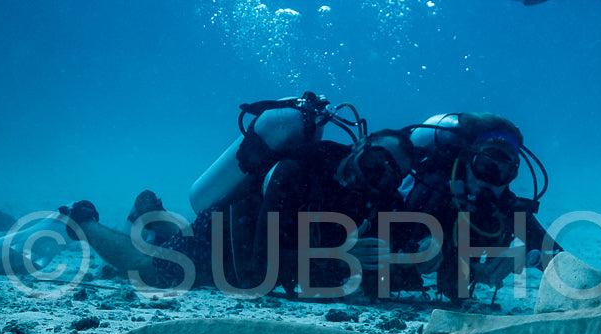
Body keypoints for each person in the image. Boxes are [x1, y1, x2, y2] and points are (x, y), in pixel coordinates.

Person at [61, 127, 415, 298]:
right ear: (360, 145)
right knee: (148, 271)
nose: (371, 178)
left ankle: (151, 213)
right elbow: (261, 266)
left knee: (176, 240)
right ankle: (83, 219)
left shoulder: (377, 203)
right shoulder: (296, 171)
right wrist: (339, 258)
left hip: (269, 250)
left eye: (386, 178)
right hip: (228, 238)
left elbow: (398, 271)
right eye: (373, 163)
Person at [393, 112, 561, 301]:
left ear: (512, 176)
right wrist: (414, 250)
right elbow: (386, 246)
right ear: (467, 161)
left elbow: (559, 260)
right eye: (484, 166)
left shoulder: (507, 206)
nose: (489, 180)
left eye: (503, 171)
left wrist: (524, 254)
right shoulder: (433, 188)